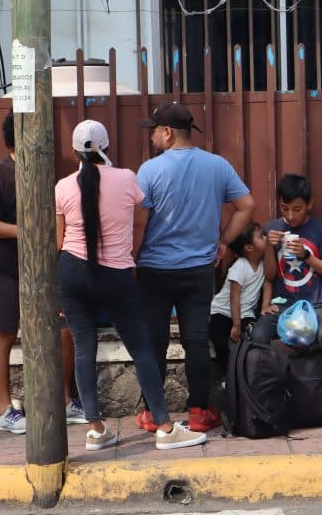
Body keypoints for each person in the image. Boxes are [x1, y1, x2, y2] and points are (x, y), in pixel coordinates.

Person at [56, 120, 206, 450]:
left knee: (84, 348)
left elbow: (60, 240)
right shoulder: (127, 179)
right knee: (140, 348)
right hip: (116, 273)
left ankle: (95, 429)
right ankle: (165, 427)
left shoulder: (63, 187)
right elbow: (139, 225)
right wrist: (131, 257)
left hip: (71, 271)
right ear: (106, 147)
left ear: (74, 153)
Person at [135, 102, 256, 433]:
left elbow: (138, 225)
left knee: (154, 341)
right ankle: (200, 411)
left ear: (168, 133)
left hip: (154, 270)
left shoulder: (149, 170)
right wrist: (223, 241)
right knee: (196, 339)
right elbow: (247, 206)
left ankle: (151, 413)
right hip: (199, 269)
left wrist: (131, 259)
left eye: (155, 132)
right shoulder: (217, 166)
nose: (152, 138)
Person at [0, 112, 83, 434]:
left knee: (62, 328)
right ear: (20, 134)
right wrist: (23, 231)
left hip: (44, 265)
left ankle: (65, 401)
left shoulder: (43, 171)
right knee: (5, 333)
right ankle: (4, 408)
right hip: (4, 264)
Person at [251, 173, 322, 422]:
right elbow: (271, 275)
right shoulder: (272, 228)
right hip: (281, 304)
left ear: (310, 204)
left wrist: (307, 256)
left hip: (315, 304)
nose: (291, 216)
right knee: (258, 337)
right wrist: (267, 249)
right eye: (285, 208)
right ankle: (266, 402)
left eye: (297, 209)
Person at [209, 222, 271, 369]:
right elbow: (234, 298)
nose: (266, 238)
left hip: (245, 313)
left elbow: (267, 285)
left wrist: (264, 307)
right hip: (221, 311)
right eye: (261, 237)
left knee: (252, 338)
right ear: (249, 248)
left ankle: (246, 374)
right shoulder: (240, 267)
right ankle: (227, 374)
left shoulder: (264, 264)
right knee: (220, 341)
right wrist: (236, 325)